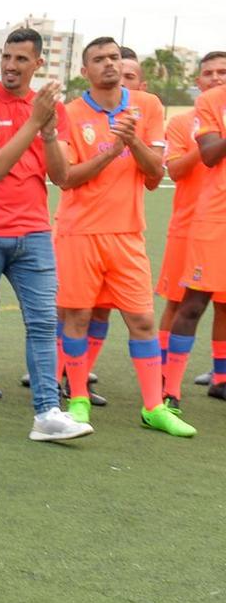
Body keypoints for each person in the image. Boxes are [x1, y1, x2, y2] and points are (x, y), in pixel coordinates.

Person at [0, 28, 91, 441]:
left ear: (37, 64)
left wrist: (48, 131)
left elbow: (61, 175)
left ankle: (47, 412)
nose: (10, 66)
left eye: (20, 59)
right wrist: (34, 123)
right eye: (6, 57)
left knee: (44, 321)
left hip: (33, 232)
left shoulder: (52, 111)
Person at [53, 37, 189, 434]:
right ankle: (77, 400)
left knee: (142, 319)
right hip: (79, 233)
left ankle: (153, 407)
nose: (109, 64)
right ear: (85, 71)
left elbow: (153, 174)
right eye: (99, 59)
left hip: (128, 233)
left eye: (114, 57)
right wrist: (114, 148)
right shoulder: (69, 113)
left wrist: (132, 140)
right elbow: (66, 178)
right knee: (77, 317)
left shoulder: (147, 107)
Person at [158, 50, 226, 401]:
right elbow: (200, 159)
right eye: (210, 72)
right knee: (184, 301)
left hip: (209, 220)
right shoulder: (200, 111)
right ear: (198, 81)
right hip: (200, 222)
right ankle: (166, 381)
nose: (217, 78)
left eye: (223, 72)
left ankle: (221, 374)